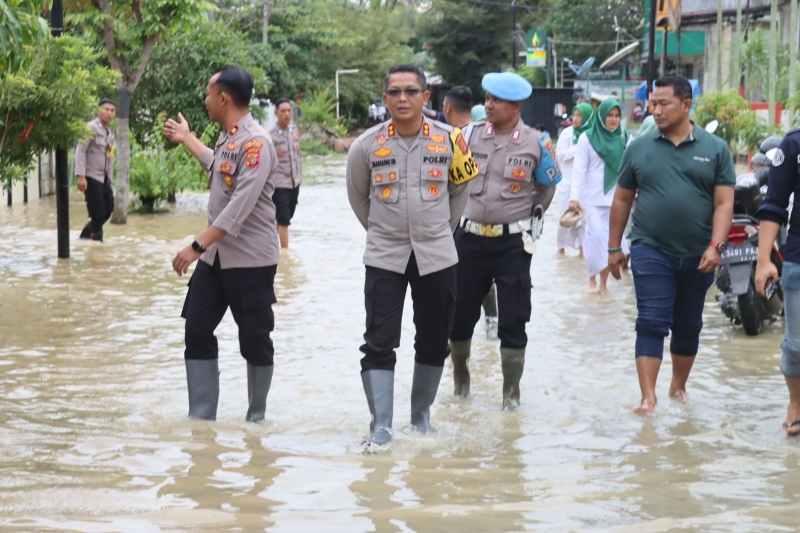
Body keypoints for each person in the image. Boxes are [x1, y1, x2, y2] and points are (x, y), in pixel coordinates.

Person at [346, 64, 479, 447]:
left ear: (425, 96)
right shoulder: (366, 145)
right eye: (394, 92)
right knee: (378, 341)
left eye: (410, 91)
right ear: (384, 98)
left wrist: (438, 231)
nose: (402, 99)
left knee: (435, 339)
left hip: (437, 255)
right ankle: (382, 427)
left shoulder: (452, 140)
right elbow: (358, 196)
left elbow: (460, 191)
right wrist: (382, 232)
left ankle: (421, 418)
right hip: (384, 256)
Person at [608, 75, 735, 414]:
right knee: (651, 319)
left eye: (664, 104)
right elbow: (622, 199)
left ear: (687, 104)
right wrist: (614, 247)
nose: (656, 110)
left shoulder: (715, 149)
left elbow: (724, 204)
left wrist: (716, 246)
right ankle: (648, 397)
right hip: (650, 247)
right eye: (653, 104)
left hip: (698, 252)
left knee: (688, 323)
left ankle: (678, 386)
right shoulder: (639, 147)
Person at [164, 66, 280, 423]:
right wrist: (188, 138)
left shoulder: (257, 143)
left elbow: (237, 210)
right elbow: (218, 167)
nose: (205, 100)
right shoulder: (229, 137)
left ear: (224, 98)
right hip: (216, 260)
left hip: (250, 260)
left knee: (254, 339)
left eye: (208, 94)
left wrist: (195, 247)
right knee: (196, 328)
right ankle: (201, 421)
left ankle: (256, 418)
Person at [449, 72, 560, 408]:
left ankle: (510, 395)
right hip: (467, 239)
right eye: (488, 98)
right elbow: (450, 182)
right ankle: (461, 382)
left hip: (512, 244)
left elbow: (547, 185)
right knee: (459, 315)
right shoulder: (466, 136)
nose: (488, 105)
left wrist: (533, 218)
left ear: (516, 106)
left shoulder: (537, 143)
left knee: (514, 317)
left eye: (496, 100)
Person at [755, 129, 800, 436]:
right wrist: (763, 260)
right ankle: (796, 404)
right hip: (798, 257)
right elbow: (774, 205)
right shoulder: (794, 144)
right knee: (797, 345)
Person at [569, 98, 629, 293]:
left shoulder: (625, 138)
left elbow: (633, 168)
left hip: (618, 199)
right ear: (602, 116)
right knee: (595, 239)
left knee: (610, 242)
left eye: (617, 115)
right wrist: (574, 197)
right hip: (592, 199)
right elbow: (579, 169)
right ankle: (591, 277)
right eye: (609, 115)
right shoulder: (587, 137)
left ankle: (603, 284)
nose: (613, 120)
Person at [555, 102, 594, 255]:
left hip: (585, 186)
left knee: (583, 221)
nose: (576, 118)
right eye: (575, 115)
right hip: (567, 183)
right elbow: (560, 156)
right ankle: (561, 250)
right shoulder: (567, 133)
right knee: (563, 218)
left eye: (580, 115)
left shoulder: (592, 135)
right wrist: (578, 148)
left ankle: (583, 252)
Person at [75, 98, 116, 242]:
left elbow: (110, 156)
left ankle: (85, 237)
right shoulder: (90, 128)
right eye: (106, 109)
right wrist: (81, 176)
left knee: (109, 209)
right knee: (97, 214)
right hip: (91, 177)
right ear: (99, 110)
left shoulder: (110, 133)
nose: (109, 113)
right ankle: (96, 244)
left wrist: (110, 179)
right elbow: (80, 151)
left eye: (112, 110)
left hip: (104, 178)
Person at [270, 98, 302, 248]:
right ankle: (285, 254)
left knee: (287, 216)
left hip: (295, 181)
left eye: (289, 111)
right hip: (279, 183)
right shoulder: (270, 136)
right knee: (283, 220)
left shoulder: (294, 131)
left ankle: (273, 245)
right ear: (276, 113)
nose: (287, 114)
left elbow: (298, 155)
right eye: (283, 111)